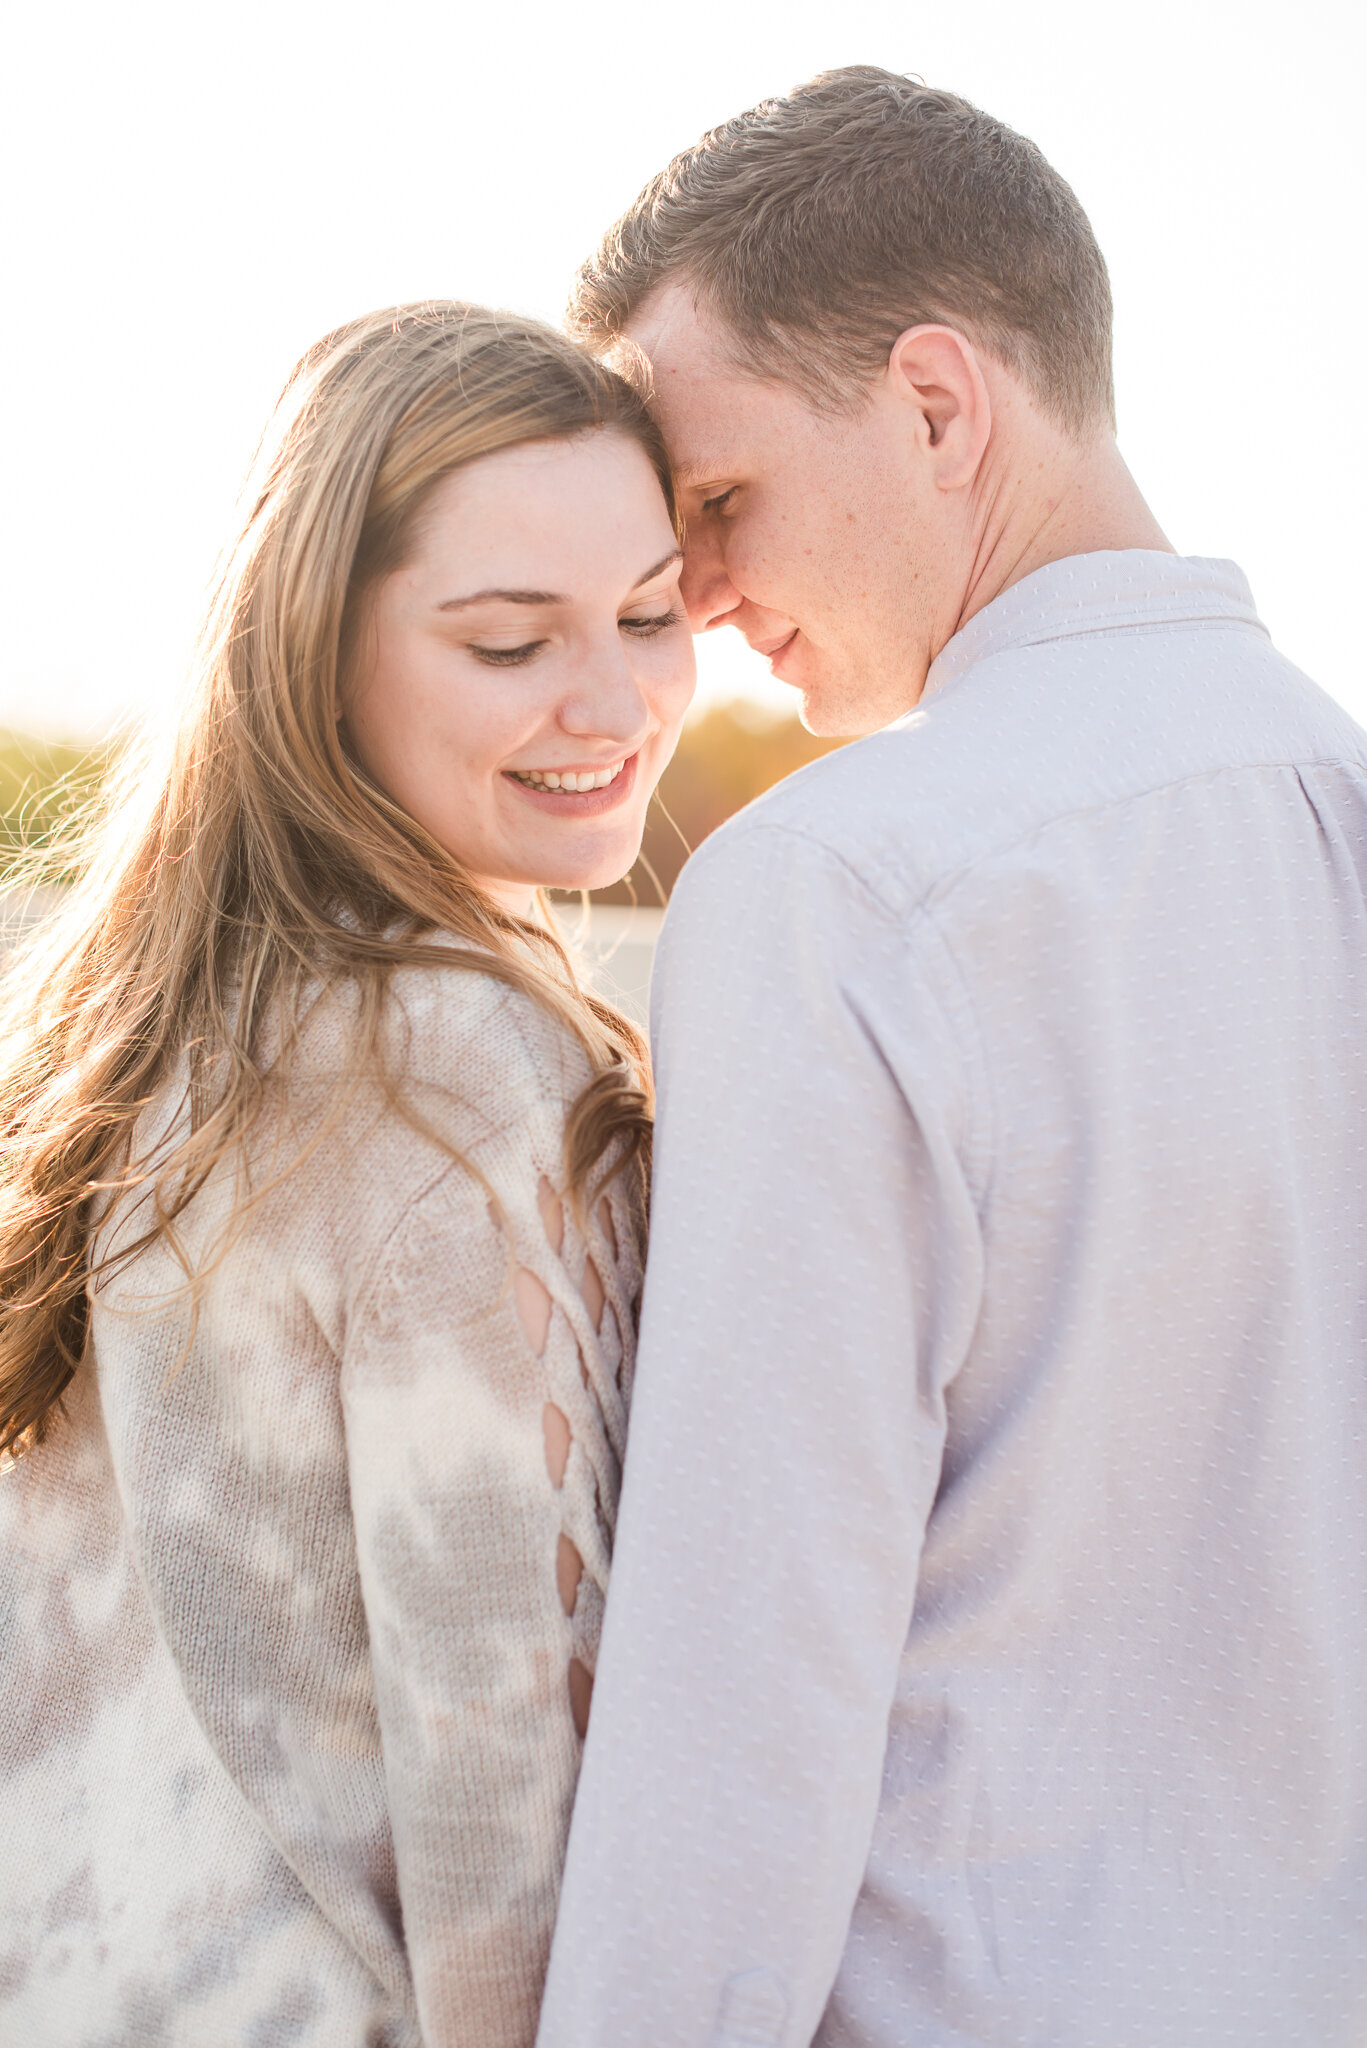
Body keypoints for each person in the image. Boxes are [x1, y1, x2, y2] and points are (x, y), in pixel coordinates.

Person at [537, 67, 1367, 2048]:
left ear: (935, 403)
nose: (702, 600)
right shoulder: (1338, 805)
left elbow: (740, 1707)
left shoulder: (842, 883)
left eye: (717, 501)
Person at [0, 302, 693, 2046]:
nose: (611, 701)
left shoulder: (139, 1031)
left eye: (654, 613)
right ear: (313, 644)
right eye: (508, 641)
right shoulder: (456, 1066)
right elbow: (504, 1783)